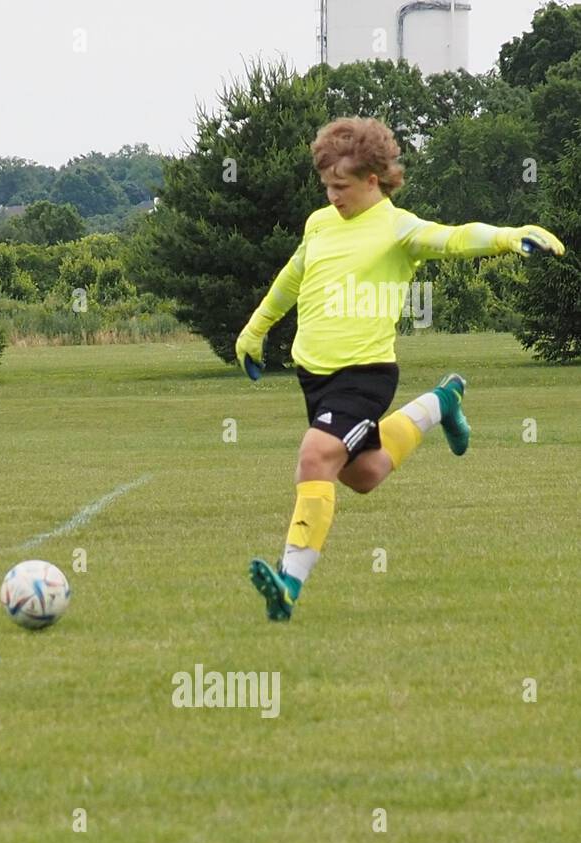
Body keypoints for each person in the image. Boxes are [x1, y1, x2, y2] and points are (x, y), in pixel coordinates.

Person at [237, 116, 565, 622]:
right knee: (364, 474)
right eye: (326, 186)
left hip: (365, 375)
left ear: (373, 179)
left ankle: (288, 586)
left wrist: (506, 236)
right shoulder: (320, 224)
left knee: (316, 456)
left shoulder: (398, 227)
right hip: (315, 378)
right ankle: (442, 403)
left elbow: (454, 238)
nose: (332, 196)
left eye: (341, 186)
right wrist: (255, 330)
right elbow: (292, 276)